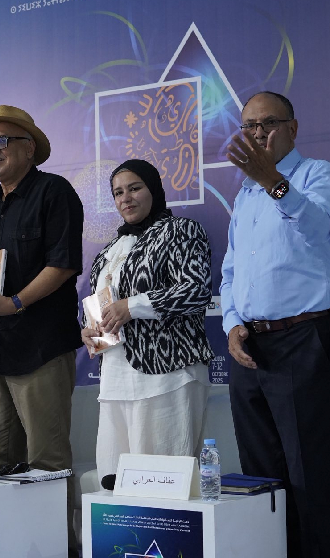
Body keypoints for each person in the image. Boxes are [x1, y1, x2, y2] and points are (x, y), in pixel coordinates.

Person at [221, 91, 330, 558]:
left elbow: (318, 229)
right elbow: (231, 271)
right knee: (260, 474)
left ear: (292, 128)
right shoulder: (244, 193)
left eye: (268, 124)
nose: (257, 134)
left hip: (303, 337)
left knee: (309, 469)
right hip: (251, 346)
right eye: (249, 126)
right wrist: (232, 323)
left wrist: (272, 180)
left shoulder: (316, 174)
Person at [0, 105, 83, 556]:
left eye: (1, 141)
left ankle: (58, 548)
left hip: (40, 348)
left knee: (46, 463)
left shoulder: (54, 191)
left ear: (28, 148)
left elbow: (63, 264)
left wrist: (14, 303)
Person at [81, 159, 214, 483]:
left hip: (168, 374)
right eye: (118, 193)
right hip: (115, 377)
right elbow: (101, 304)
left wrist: (132, 307)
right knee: (113, 480)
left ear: (153, 190)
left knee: (162, 482)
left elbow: (196, 290)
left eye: (134, 188)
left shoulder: (180, 230)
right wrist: (90, 330)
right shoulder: (110, 250)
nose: (125, 198)